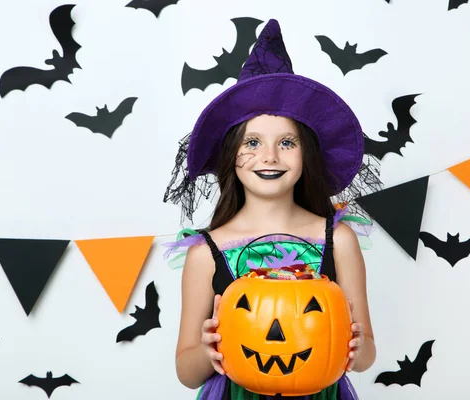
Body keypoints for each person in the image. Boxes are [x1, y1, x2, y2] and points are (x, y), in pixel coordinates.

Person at [162, 19, 383, 400]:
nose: (268, 156)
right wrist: (207, 348)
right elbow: (186, 371)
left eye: (286, 142)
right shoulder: (204, 253)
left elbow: (365, 358)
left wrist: (360, 348)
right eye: (251, 142)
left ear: (306, 154)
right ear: (230, 154)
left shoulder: (338, 239)